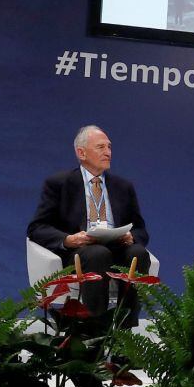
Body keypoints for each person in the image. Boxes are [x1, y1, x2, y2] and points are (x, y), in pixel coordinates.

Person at [27, 125, 150, 321]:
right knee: (97, 253)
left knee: (138, 253)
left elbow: (141, 229)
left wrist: (131, 236)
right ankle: (94, 329)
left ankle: (125, 329)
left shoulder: (123, 186)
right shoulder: (59, 183)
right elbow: (36, 228)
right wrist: (68, 240)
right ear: (81, 153)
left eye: (109, 147)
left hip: (117, 247)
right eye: (101, 147)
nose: (108, 152)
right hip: (80, 251)